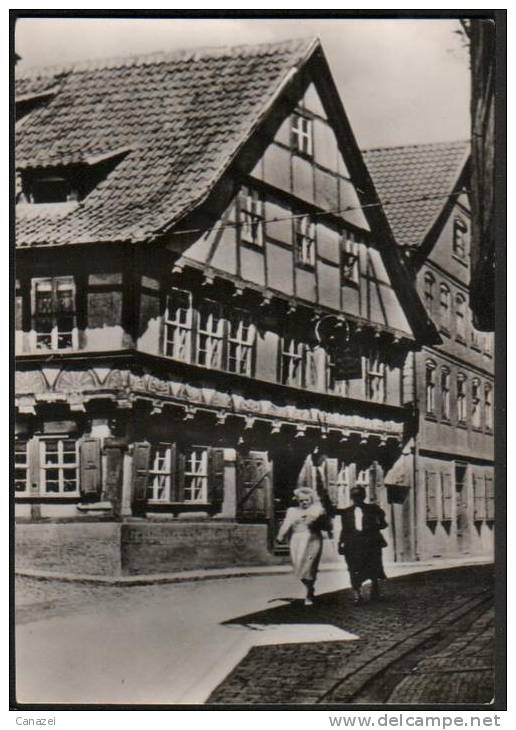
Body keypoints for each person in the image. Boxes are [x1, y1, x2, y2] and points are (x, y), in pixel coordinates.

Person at [276, 486, 332, 606]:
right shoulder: (292, 511)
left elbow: (326, 525)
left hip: (312, 540)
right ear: (297, 500)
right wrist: (280, 535)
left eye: (306, 500)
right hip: (296, 540)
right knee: (299, 569)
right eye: (301, 500)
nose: (304, 502)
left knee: (309, 566)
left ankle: (308, 594)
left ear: (311, 500)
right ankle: (310, 588)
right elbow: (286, 524)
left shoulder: (317, 510)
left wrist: (320, 518)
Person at [337, 485, 388, 604]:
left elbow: (383, 524)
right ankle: (357, 594)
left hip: (370, 543)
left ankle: (374, 590)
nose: (357, 499)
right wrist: (340, 543)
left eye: (359, 496)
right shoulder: (347, 512)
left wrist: (375, 524)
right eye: (354, 496)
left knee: (373, 567)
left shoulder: (373, 509)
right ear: (351, 498)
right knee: (353, 569)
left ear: (364, 496)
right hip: (353, 544)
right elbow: (344, 529)